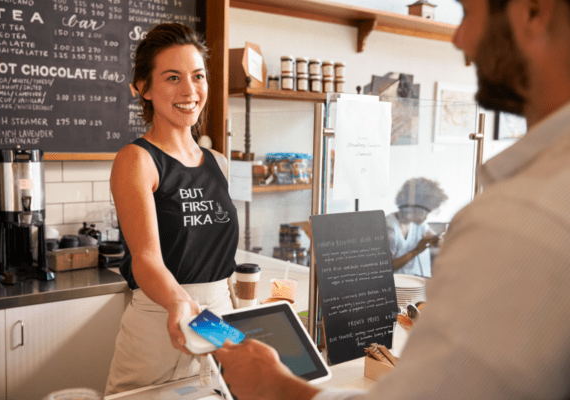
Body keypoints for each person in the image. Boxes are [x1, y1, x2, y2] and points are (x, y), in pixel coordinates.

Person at [215, 0, 570, 398]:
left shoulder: (520, 217)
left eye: (468, 14)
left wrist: (275, 386)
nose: (458, 38)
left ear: (534, 12)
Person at [105, 23, 239, 395]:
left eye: (197, 76)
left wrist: (242, 309)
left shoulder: (219, 162)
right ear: (143, 88)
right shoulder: (136, 160)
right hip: (159, 323)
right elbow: (146, 259)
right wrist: (182, 306)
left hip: (217, 319)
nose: (189, 90)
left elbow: (220, 255)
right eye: (172, 77)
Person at [386, 178, 448, 278]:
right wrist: (417, 250)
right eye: (424, 212)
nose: (426, 217)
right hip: (398, 285)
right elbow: (388, 268)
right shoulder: (390, 228)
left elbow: (436, 240)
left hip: (415, 281)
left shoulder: (417, 223)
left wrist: (439, 239)